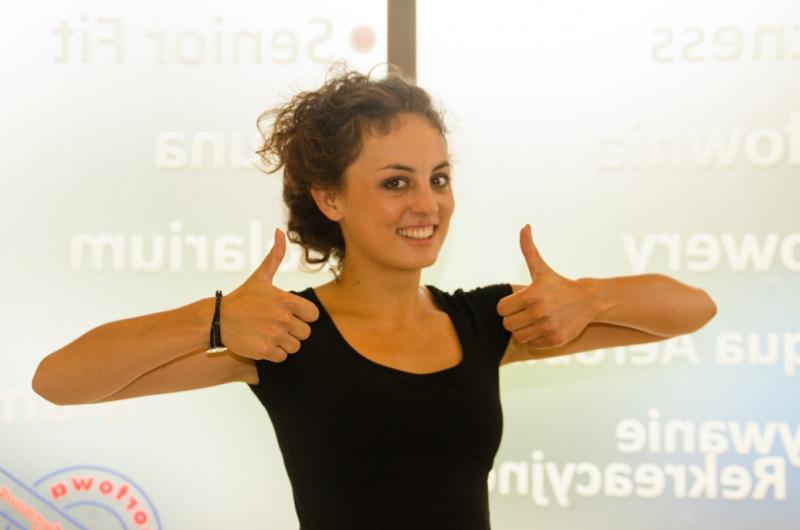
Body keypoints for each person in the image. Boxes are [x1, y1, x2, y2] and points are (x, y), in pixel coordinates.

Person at [31, 61, 717, 529]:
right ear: (331, 198)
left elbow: (693, 309)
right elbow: (58, 381)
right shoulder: (285, 334)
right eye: (396, 182)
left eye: (439, 179)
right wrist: (211, 319)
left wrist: (590, 299)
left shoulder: (486, 322)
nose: (427, 204)